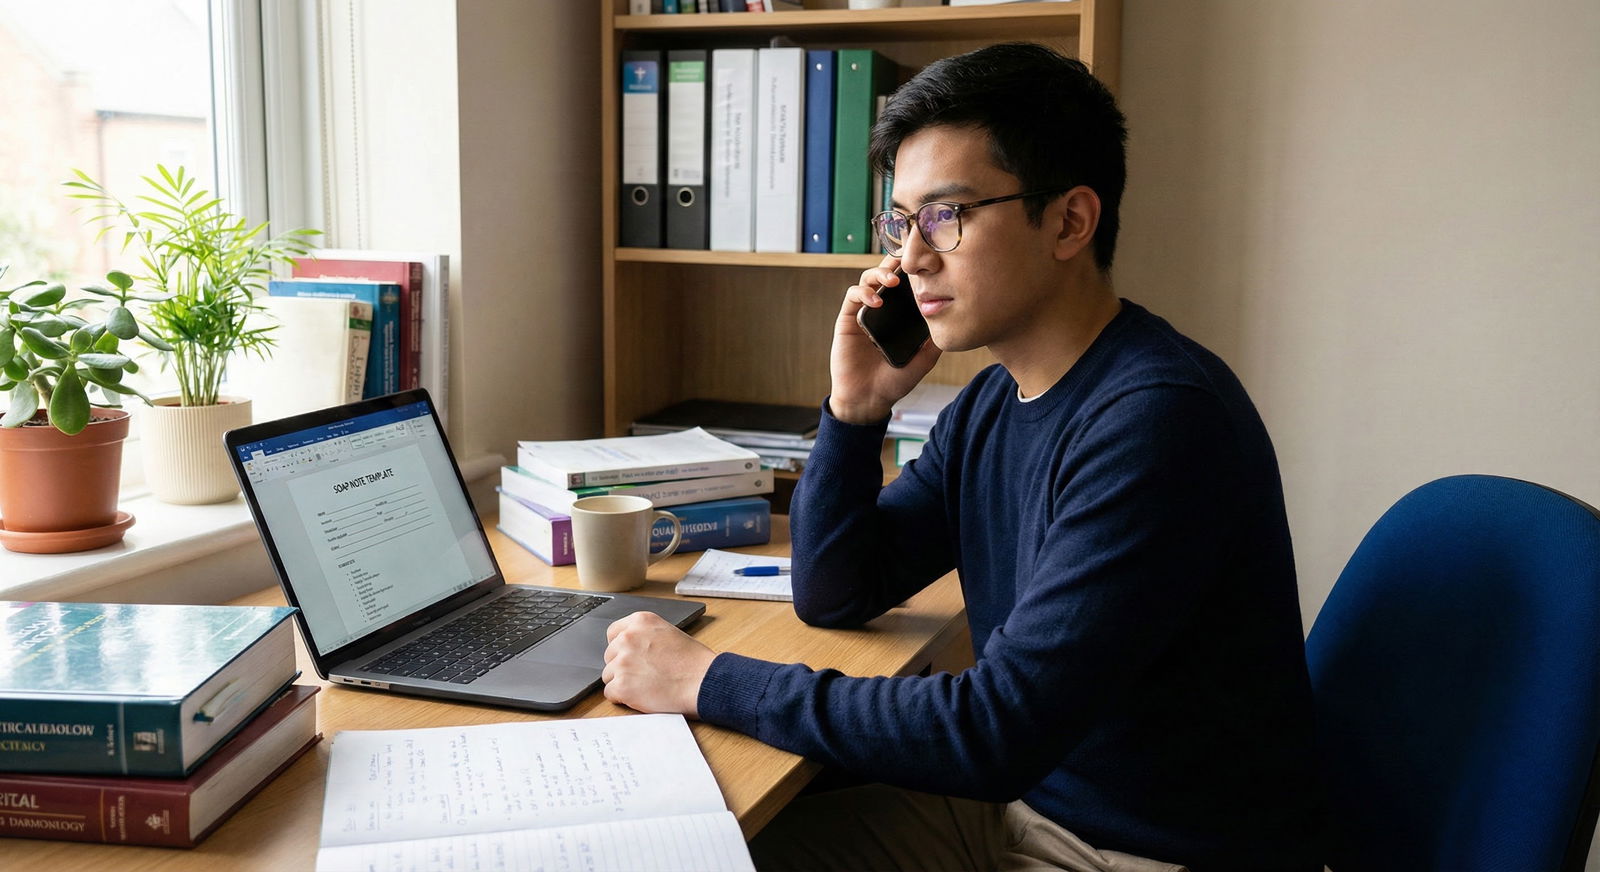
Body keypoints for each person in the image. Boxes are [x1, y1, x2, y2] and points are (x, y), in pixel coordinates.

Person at [600, 42, 1324, 872]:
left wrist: (708, 679)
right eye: (901, 222)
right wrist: (856, 411)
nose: (910, 258)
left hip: (1140, 853)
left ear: (1069, 221)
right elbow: (839, 590)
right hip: (1022, 811)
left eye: (947, 214)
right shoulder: (993, 400)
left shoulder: (1156, 423)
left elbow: (993, 731)